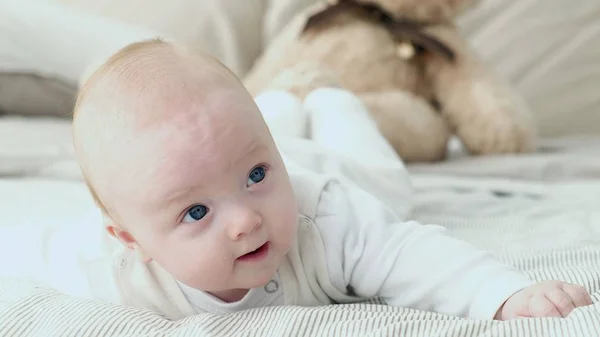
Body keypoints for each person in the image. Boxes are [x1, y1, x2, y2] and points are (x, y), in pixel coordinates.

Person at [68, 38, 592, 321]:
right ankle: (280, 107)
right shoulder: (116, 283)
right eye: (197, 212)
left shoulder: (327, 216)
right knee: (244, 150)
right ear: (132, 241)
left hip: (339, 168)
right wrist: (253, 171)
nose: (246, 220)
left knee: (391, 183)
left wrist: (502, 294)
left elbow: (412, 255)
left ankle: (329, 98)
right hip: (281, 153)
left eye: (256, 173)